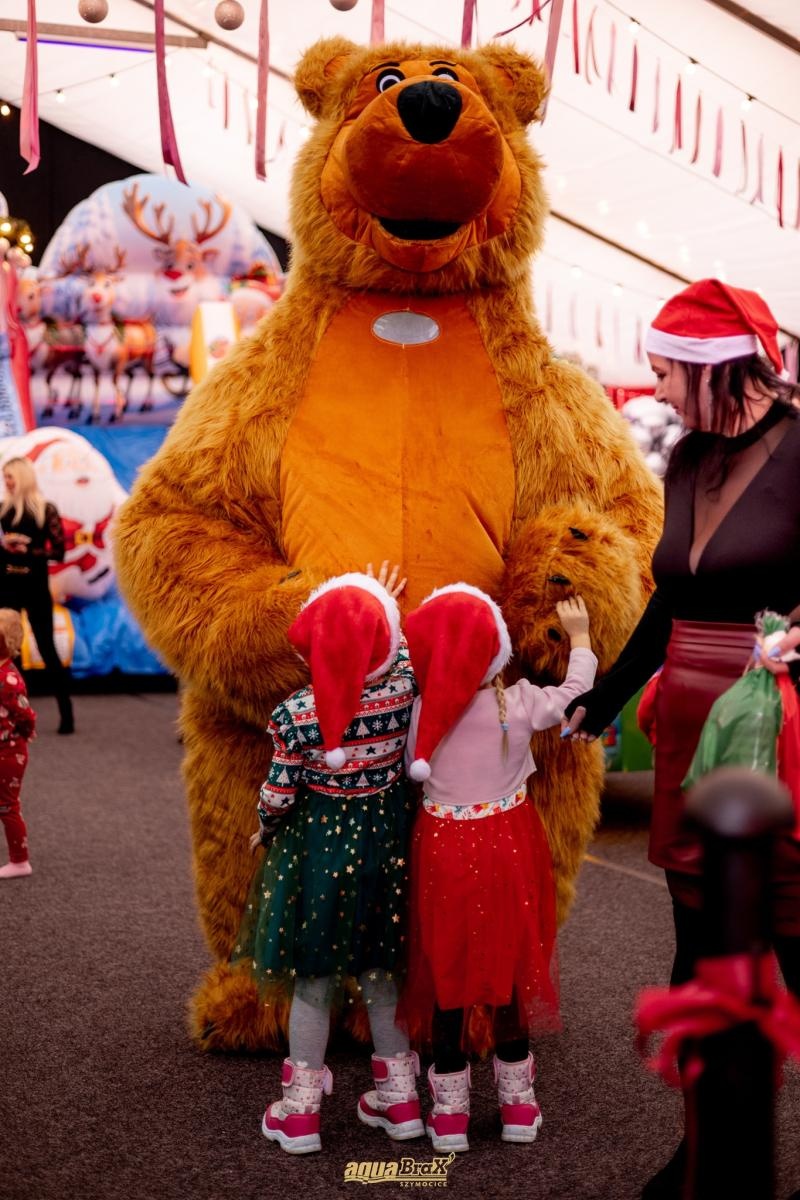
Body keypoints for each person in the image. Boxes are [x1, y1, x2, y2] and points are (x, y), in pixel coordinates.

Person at [561, 278, 800, 1198]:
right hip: (693, 724)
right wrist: (609, 694)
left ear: (714, 368)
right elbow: (674, 593)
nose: (654, 389)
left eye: (664, 371)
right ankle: (708, 1151)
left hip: (782, 723)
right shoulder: (690, 457)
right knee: (699, 954)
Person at [232, 565, 423, 1155]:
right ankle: (402, 1104)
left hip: (316, 855)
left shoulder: (298, 714)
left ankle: (301, 1116)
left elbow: (279, 793)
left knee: (314, 979)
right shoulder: (402, 688)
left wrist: (264, 828)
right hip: (388, 848)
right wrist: (382, 604)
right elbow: (404, 653)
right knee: (381, 972)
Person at [400, 585, 597, 1153]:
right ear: (496, 651)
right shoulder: (519, 701)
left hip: (441, 848)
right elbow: (577, 691)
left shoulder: (418, 714)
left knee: (446, 973)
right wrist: (580, 638)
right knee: (511, 971)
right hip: (507, 848)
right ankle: (517, 1106)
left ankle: (450, 1117)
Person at [0, 457, 74, 735]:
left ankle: (66, 713)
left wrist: (27, 550)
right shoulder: (2, 510)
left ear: (23, 477)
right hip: (6, 587)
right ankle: (16, 714)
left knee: (47, 648)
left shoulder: (45, 510)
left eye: (10, 477)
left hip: (35, 587)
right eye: (4, 477)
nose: (6, 482)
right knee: (6, 652)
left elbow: (58, 551)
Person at [0, 609, 37, 879]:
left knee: (8, 806)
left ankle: (20, 861)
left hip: (8, 752)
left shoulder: (8, 679)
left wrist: (26, 732)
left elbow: (25, 713)